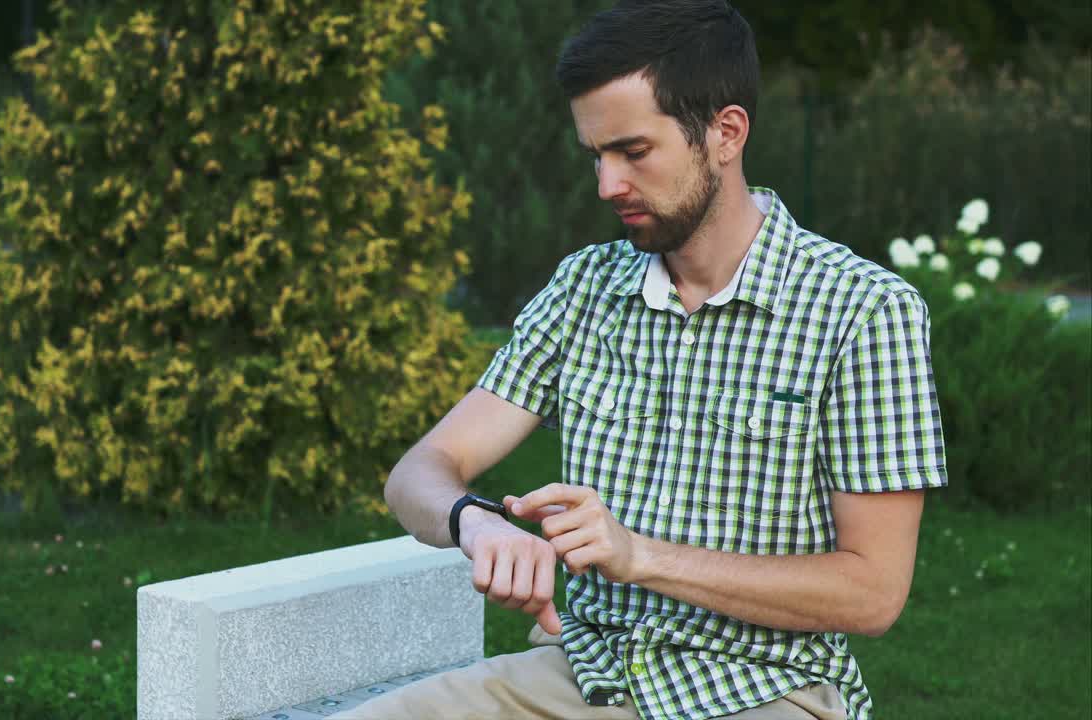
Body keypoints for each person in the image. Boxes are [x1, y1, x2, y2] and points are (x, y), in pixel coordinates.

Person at [334, 1, 946, 718]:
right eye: (596, 156)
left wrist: (641, 556)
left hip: (762, 689)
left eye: (633, 151)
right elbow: (419, 472)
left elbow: (872, 593)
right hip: (583, 675)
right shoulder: (584, 289)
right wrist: (476, 520)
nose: (607, 185)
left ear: (726, 133)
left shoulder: (864, 311)